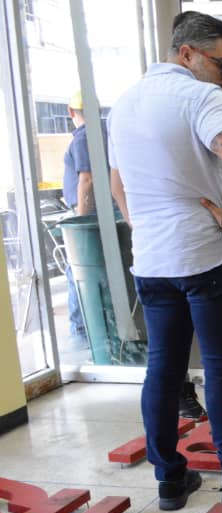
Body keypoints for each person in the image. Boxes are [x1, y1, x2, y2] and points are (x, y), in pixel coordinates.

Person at [108, 11, 222, 512]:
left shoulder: (123, 106)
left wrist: (145, 226)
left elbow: (118, 183)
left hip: (151, 262)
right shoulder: (198, 96)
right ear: (186, 53)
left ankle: (170, 481)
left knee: (163, 371)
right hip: (207, 258)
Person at [61, 91, 94, 346]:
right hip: (97, 214)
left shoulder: (84, 138)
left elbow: (86, 178)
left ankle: (81, 333)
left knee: (78, 272)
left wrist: (81, 220)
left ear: (71, 112)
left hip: (88, 216)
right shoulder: (105, 134)